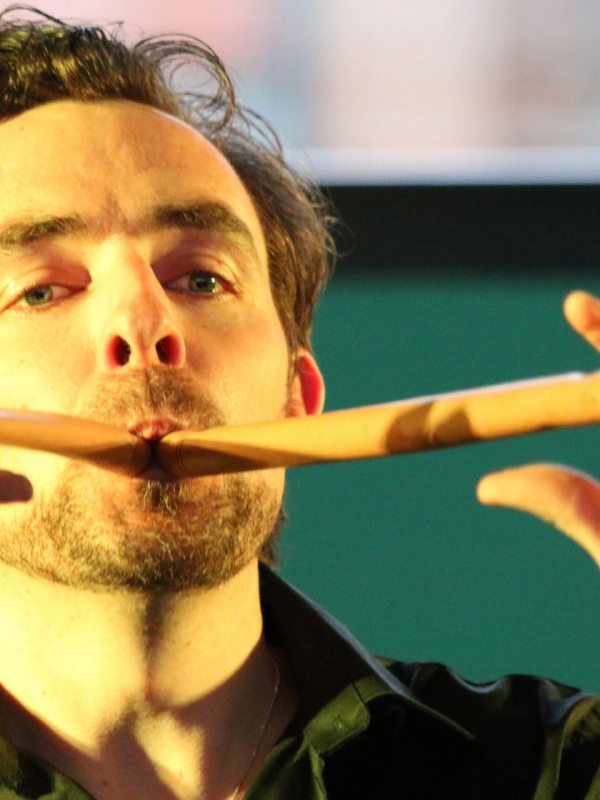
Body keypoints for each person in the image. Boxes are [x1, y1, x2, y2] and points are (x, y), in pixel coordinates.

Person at [0, 6, 597, 799]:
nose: (144, 321)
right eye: (42, 290)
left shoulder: (548, 772)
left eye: (202, 278)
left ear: (297, 397)